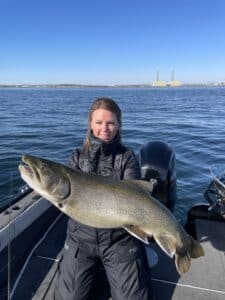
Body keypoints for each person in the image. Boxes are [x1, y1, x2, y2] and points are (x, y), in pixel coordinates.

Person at [54, 97, 152, 300]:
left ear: (118, 125)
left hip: (119, 240)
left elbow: (135, 196)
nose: (104, 128)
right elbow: (63, 194)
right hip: (80, 238)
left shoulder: (127, 157)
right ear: (90, 123)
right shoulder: (76, 157)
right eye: (98, 122)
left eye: (110, 123)